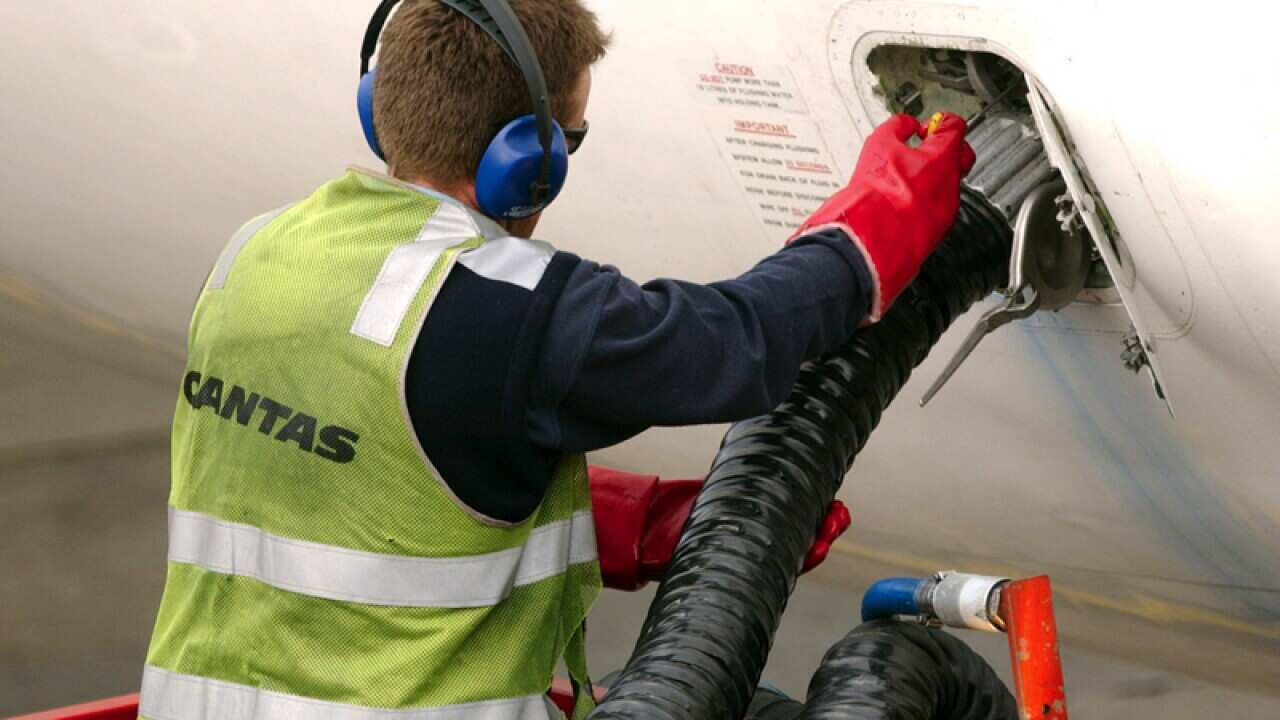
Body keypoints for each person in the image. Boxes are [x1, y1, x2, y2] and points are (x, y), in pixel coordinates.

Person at [138, 0, 976, 718]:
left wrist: (634, 526)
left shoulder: (256, 252)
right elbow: (737, 341)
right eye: (565, 139)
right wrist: (884, 215)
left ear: (377, 106)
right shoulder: (503, 307)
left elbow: (342, 452)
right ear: (523, 163)